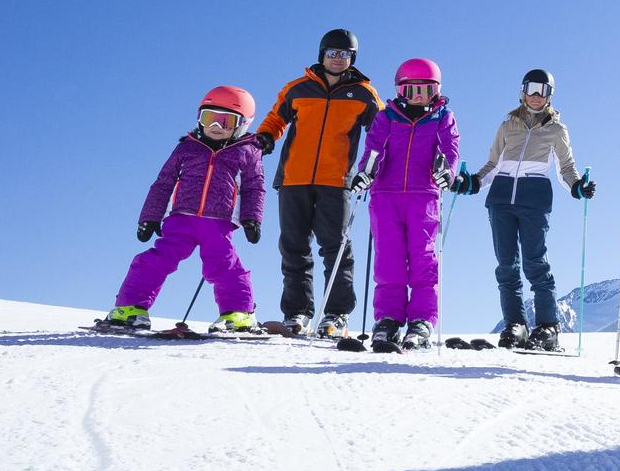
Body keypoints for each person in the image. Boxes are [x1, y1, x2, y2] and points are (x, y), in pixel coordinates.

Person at [104, 87, 266, 332]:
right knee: (156, 260)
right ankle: (130, 308)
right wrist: (149, 217)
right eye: (209, 118)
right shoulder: (187, 148)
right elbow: (163, 184)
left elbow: (254, 188)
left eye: (225, 121)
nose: (216, 126)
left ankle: (238, 313)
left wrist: (252, 218)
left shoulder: (247, 152)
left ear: (242, 124)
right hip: (180, 220)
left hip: (219, 223)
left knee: (224, 265)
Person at [254, 29, 382, 338]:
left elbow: (381, 133)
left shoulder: (364, 94)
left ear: (352, 58)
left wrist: (373, 165)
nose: (338, 59)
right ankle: (297, 311)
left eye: (345, 55)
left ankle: (336, 314)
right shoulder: (298, 89)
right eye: (332, 53)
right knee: (294, 246)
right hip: (293, 178)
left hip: (337, 181)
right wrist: (266, 136)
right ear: (321, 54)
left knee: (335, 247)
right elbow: (276, 118)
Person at [456, 69, 596, 351]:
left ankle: (548, 326)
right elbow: (493, 164)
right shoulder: (508, 125)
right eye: (531, 88)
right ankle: (516, 325)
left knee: (535, 263)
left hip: (534, 200)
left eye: (542, 90)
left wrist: (576, 186)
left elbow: (566, 167)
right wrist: (472, 183)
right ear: (522, 91)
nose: (536, 95)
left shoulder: (557, 129)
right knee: (506, 265)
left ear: (549, 95)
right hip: (500, 200)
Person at [351, 58, 459, 351]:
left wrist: (446, 170)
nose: (419, 97)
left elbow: (449, 149)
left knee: (423, 258)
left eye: (425, 90)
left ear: (436, 91)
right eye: (412, 91)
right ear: (400, 91)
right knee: (389, 259)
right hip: (386, 195)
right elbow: (374, 148)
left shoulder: (442, 117)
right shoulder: (387, 117)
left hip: (423, 196)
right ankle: (388, 318)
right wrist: (366, 171)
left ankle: (421, 319)